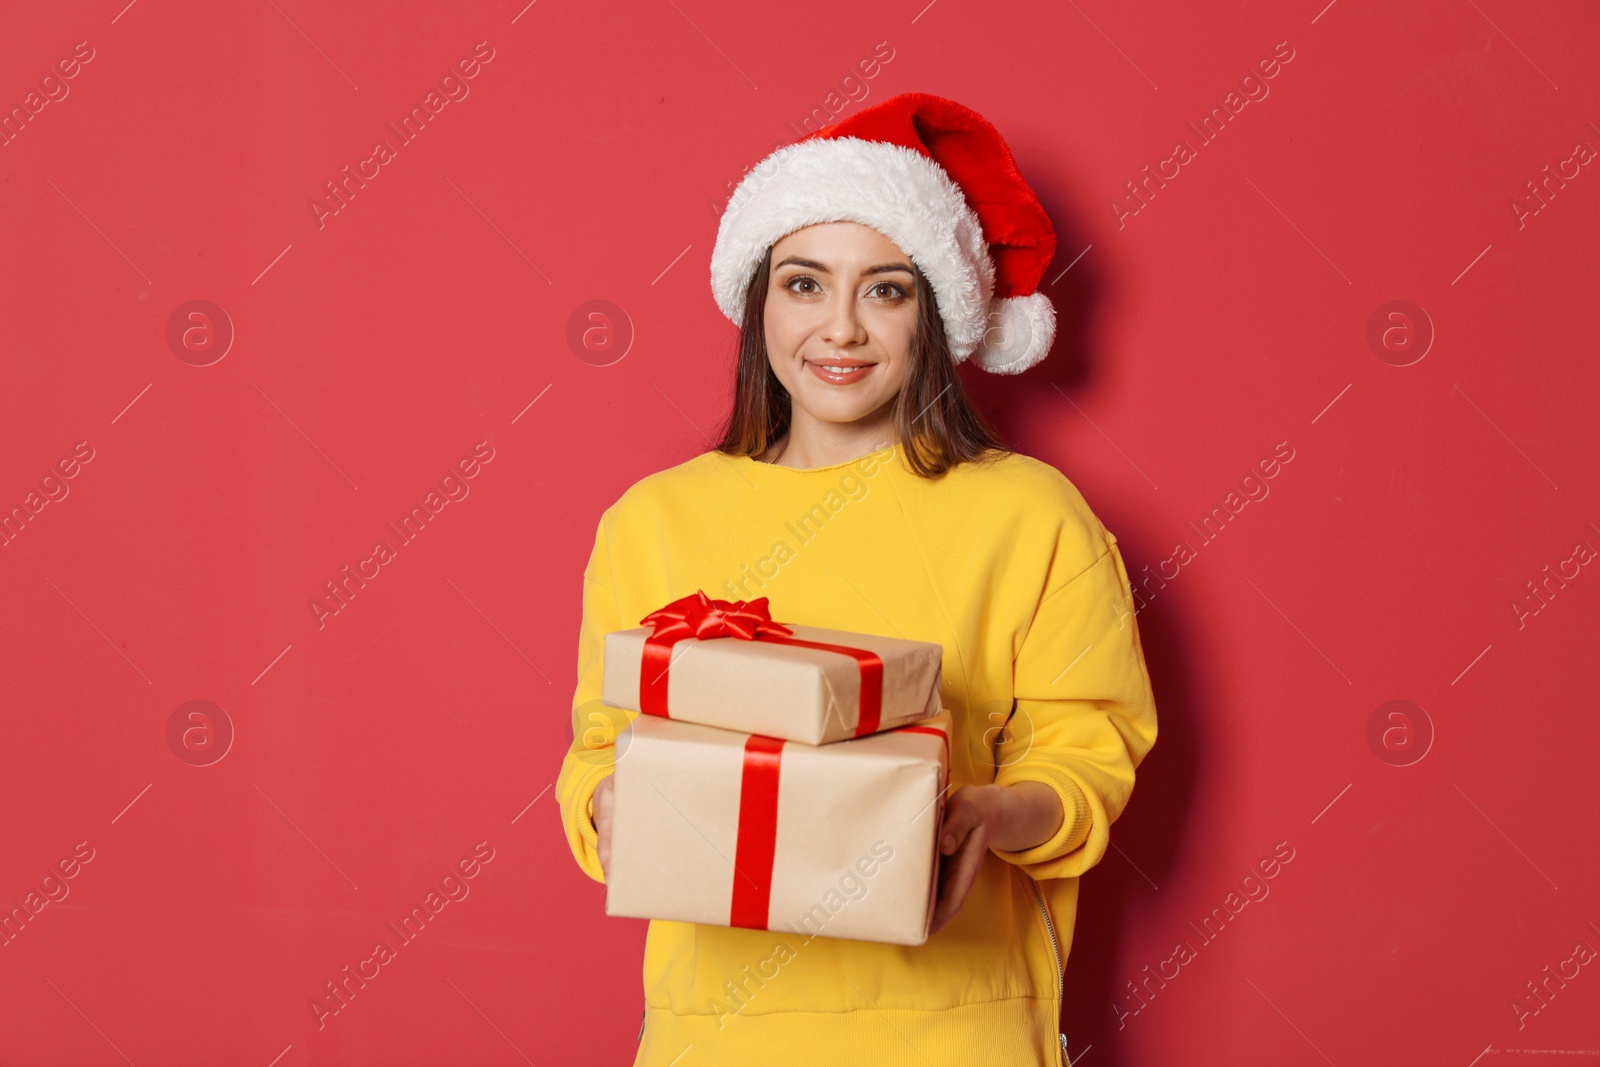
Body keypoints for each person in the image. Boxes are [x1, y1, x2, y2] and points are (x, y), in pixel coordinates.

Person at [555, 92, 1158, 1066]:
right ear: (757, 300)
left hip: (952, 1029)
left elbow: (1088, 755)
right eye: (804, 283)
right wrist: (606, 803)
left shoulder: (1030, 514)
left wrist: (989, 811)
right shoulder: (652, 521)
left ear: (936, 310)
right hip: (717, 1033)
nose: (840, 328)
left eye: (885, 289)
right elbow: (598, 745)